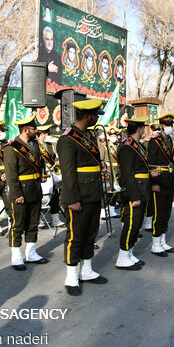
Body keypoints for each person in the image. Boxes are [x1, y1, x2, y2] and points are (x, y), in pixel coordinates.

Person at [57, 99, 108, 296]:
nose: (97, 118)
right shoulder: (68, 138)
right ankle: (71, 277)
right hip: (79, 196)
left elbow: (90, 162)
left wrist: (100, 167)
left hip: (93, 192)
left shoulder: (88, 135)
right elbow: (68, 172)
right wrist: (72, 199)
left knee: (90, 233)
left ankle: (86, 271)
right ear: (87, 116)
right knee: (75, 236)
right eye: (96, 115)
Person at [4, 114, 48, 270]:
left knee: (33, 223)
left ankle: (31, 253)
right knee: (18, 224)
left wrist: (42, 174)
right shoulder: (11, 148)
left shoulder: (35, 145)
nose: (36, 130)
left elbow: (41, 162)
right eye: (33, 128)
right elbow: (11, 175)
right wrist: (17, 194)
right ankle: (16, 255)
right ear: (25, 130)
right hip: (21, 191)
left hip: (35, 189)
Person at [116, 116, 155, 270]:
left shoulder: (138, 146)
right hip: (134, 192)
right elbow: (127, 173)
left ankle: (129, 253)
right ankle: (122, 257)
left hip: (142, 189)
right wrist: (134, 196)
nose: (145, 130)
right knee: (131, 224)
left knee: (137, 224)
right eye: (143, 128)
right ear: (139, 129)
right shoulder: (127, 146)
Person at [147, 114, 174, 257]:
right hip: (159, 181)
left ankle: (163, 240)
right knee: (159, 213)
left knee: (166, 213)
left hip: (169, 180)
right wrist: (153, 183)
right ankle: (155, 244)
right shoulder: (155, 141)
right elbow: (152, 164)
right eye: (166, 125)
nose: (169, 127)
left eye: (170, 125)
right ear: (161, 126)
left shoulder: (169, 139)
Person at [36, 124, 64, 228]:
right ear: (42, 134)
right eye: (47, 134)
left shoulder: (50, 145)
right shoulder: (35, 145)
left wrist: (57, 163)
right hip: (41, 174)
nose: (49, 136)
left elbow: (54, 157)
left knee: (54, 196)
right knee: (40, 196)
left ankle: (55, 220)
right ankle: (39, 220)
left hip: (51, 174)